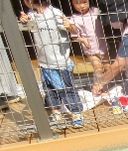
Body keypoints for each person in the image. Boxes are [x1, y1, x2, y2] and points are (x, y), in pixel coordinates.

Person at [19, 0, 84, 128]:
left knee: (67, 88)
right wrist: (24, 20)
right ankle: (56, 112)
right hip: (44, 61)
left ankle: (76, 113)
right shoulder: (32, 13)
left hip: (60, 61)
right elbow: (28, 26)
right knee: (49, 89)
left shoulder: (54, 12)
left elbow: (72, 28)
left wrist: (69, 26)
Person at [69, 0, 109, 81]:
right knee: (98, 68)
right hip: (90, 49)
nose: (81, 6)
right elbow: (74, 36)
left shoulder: (95, 11)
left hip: (103, 46)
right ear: (72, 4)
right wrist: (82, 40)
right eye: (77, 3)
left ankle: (109, 84)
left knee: (107, 67)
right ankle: (98, 86)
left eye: (84, 2)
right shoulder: (74, 18)